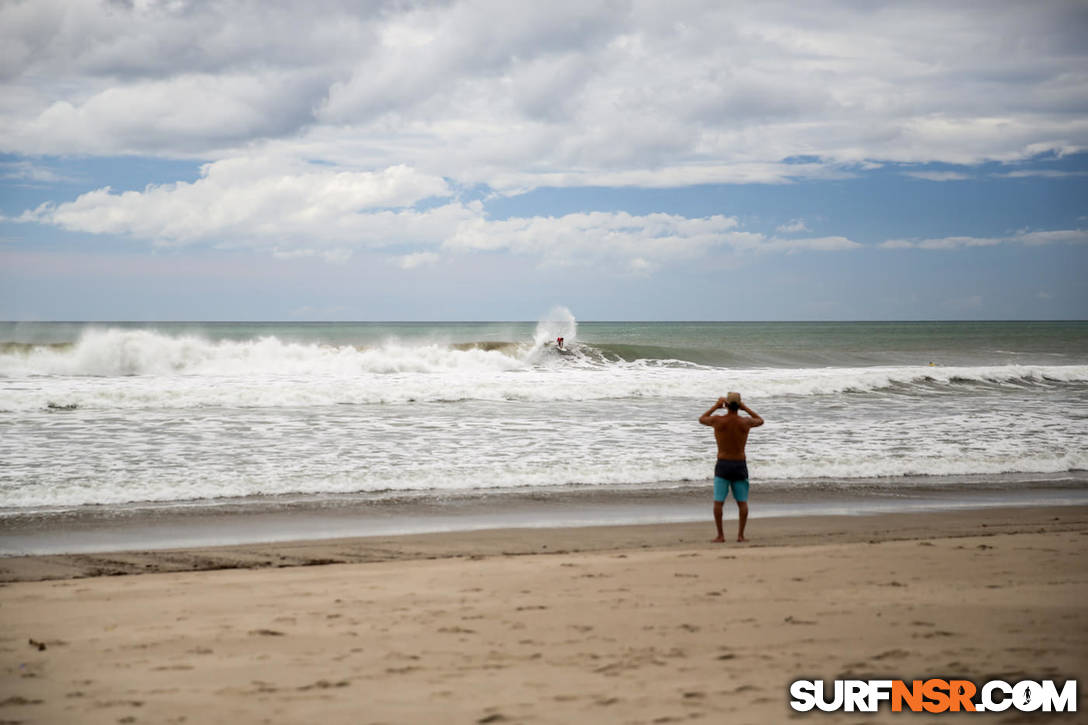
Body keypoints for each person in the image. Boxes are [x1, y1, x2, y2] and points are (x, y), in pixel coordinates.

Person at [699, 392, 763, 543]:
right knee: (742, 502)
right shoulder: (745, 422)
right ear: (739, 405)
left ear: (726, 404)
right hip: (739, 464)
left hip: (723, 464)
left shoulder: (717, 420)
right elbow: (760, 420)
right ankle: (740, 536)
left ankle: (720, 535)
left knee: (718, 502)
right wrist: (745, 408)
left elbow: (701, 419)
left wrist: (715, 406)